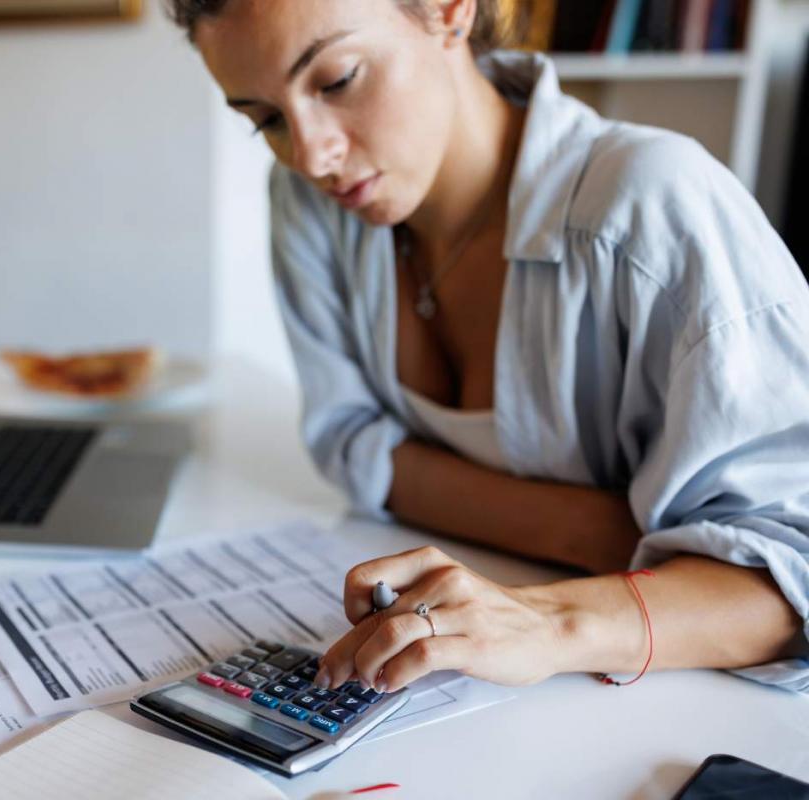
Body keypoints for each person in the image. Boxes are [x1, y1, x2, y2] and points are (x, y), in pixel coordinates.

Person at [166, 0, 809, 693]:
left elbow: (787, 578)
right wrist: (613, 533)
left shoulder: (654, 206)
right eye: (265, 118)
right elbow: (347, 443)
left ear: (450, 11)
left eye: (337, 79)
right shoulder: (310, 207)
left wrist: (549, 622)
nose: (311, 153)